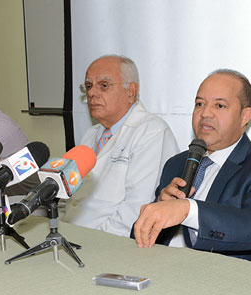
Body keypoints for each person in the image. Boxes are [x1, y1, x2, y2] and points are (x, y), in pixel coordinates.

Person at [132, 69, 251, 266]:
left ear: (245, 116)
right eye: (199, 104)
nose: (205, 113)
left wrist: (187, 210)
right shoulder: (176, 163)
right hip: (158, 268)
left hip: (219, 280)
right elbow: (137, 236)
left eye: (220, 105)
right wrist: (159, 210)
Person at [62, 55, 179, 237]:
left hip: (110, 245)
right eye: (88, 86)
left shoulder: (151, 131)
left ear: (131, 91)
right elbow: (68, 196)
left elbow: (136, 210)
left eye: (104, 85)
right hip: (72, 236)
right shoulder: (91, 134)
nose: (92, 93)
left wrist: (92, 241)